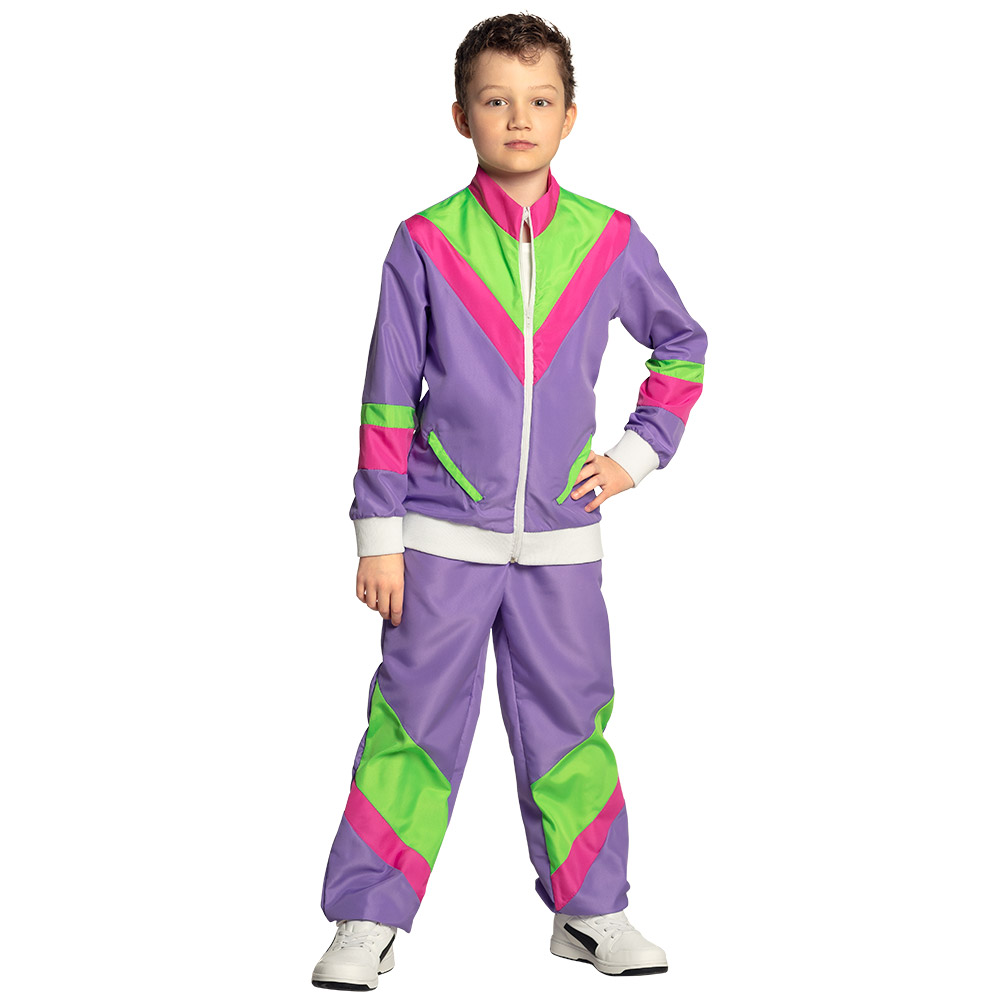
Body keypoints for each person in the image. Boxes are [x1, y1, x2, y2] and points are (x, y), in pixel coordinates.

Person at [311, 12, 708, 991]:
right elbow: (386, 398)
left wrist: (635, 456)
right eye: (496, 100)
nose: (518, 118)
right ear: (462, 116)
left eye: (538, 100)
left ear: (570, 116)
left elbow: (681, 347)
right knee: (410, 725)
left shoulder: (610, 240)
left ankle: (590, 909)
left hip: (563, 540)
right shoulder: (424, 243)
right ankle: (368, 916)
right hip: (439, 536)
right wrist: (378, 534)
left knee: (573, 725)